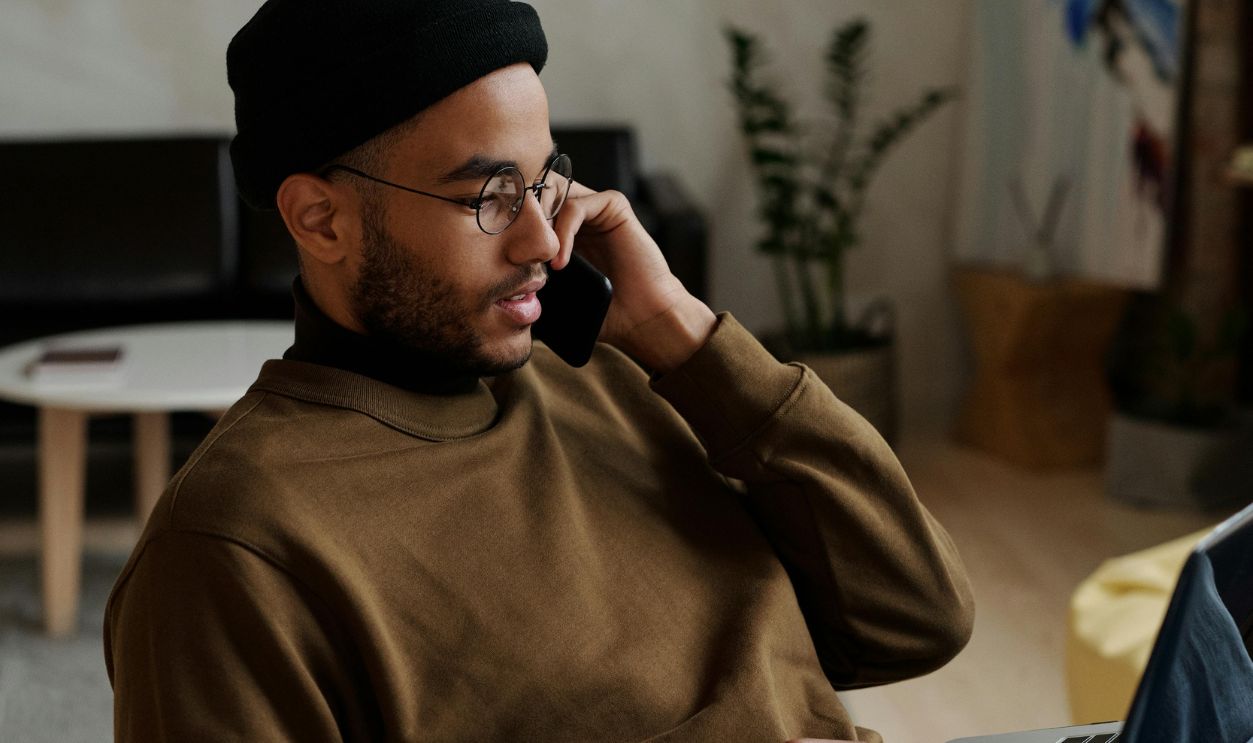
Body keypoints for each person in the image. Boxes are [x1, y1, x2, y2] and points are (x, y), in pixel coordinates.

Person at [104, 1, 975, 741]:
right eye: (486, 195)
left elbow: (917, 617)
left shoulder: (622, 374)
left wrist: (683, 333)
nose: (539, 240)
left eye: (546, 179)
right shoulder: (233, 549)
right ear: (321, 219)